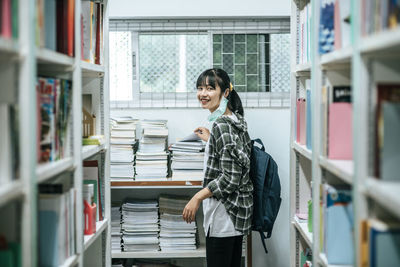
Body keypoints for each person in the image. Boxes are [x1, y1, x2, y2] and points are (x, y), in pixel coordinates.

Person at [182, 68, 253, 267]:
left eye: (210, 88)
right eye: (200, 88)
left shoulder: (222, 126)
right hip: (235, 216)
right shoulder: (235, 119)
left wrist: (197, 197)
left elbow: (230, 178)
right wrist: (211, 139)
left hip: (224, 217)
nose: (203, 94)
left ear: (225, 92)